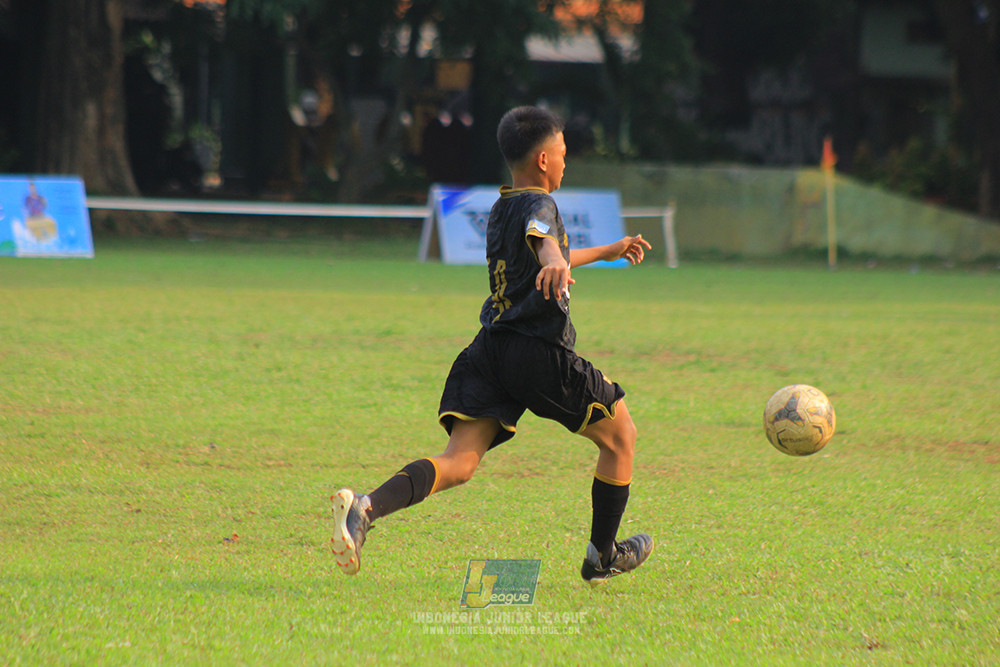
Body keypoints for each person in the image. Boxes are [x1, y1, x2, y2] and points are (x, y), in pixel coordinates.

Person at [332, 105, 654, 585]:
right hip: (537, 353)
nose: (566, 162)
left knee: (459, 463)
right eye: (563, 153)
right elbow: (545, 242)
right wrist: (553, 260)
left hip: (490, 352)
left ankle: (366, 507)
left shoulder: (505, 205)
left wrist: (601, 252)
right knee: (621, 435)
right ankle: (601, 556)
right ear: (544, 160)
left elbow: (548, 251)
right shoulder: (541, 206)